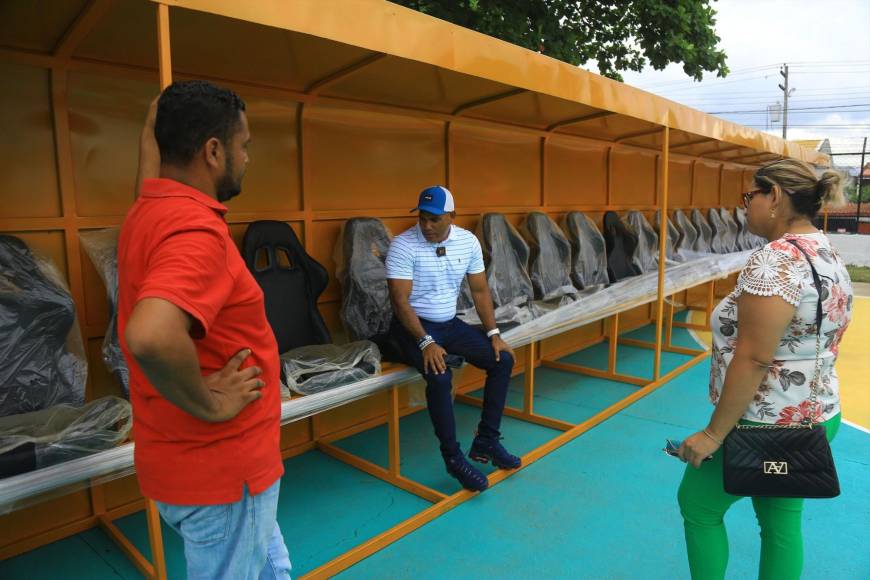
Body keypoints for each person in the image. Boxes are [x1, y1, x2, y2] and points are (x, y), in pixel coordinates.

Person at [119, 80, 292, 579]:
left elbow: (148, 182)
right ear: (214, 152)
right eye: (244, 146)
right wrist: (209, 402)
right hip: (222, 474)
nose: (246, 158)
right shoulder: (197, 234)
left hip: (197, 465)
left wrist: (154, 126)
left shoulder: (149, 211)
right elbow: (149, 335)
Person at [677, 159, 852, 580]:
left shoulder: (775, 260)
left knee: (698, 506)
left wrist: (713, 434)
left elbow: (754, 357)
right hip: (816, 416)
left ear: (773, 196)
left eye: (749, 196)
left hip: (763, 425)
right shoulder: (825, 250)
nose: (745, 206)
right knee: (780, 524)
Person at [386, 186, 521, 492]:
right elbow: (400, 301)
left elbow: (480, 291)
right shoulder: (403, 245)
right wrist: (426, 343)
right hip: (411, 327)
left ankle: (486, 440)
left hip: (449, 324)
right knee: (440, 373)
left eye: (434, 219)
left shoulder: (467, 242)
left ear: (452, 216)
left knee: (503, 359)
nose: (427, 226)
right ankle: (453, 458)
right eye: (422, 218)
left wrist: (494, 334)